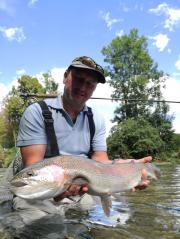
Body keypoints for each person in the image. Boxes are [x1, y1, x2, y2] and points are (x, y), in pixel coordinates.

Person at [15, 56, 151, 213]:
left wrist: (124, 167)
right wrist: (59, 188)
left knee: (106, 220)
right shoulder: (36, 112)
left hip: (80, 185)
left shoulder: (97, 119)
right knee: (46, 229)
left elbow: (100, 161)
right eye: (79, 79)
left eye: (90, 84)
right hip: (44, 184)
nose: (83, 88)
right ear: (66, 77)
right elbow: (33, 165)